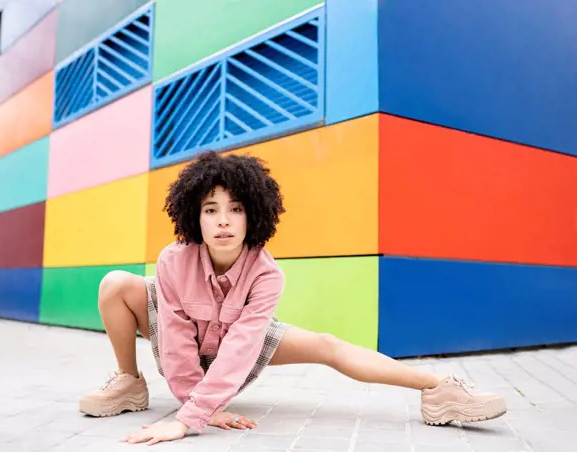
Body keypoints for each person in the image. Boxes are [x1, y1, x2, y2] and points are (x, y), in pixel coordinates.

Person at [79, 151, 507, 446]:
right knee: (117, 283)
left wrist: (193, 414)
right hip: (186, 343)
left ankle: (439, 389)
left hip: (235, 343)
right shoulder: (174, 260)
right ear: (194, 214)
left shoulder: (266, 274)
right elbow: (172, 340)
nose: (223, 221)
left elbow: (244, 345)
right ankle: (128, 383)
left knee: (326, 344)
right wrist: (196, 410)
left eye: (236, 208)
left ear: (255, 214)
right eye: (210, 209)